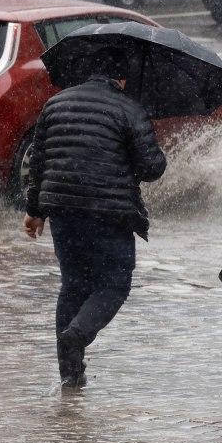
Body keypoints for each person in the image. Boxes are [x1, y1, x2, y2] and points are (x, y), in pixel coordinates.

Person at [23, 47, 167, 388]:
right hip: (110, 215)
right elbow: (152, 168)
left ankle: (70, 374)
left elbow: (37, 162)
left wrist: (34, 211)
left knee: (73, 284)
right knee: (114, 284)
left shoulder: (56, 104)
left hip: (62, 211)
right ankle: (78, 334)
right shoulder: (130, 109)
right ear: (122, 78)